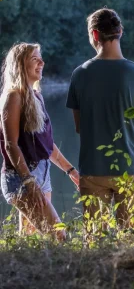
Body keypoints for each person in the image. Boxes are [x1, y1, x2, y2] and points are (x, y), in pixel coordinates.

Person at [66, 8, 134, 226]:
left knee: (95, 239)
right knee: (133, 239)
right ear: (120, 32)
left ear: (95, 35)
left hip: (93, 169)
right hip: (132, 170)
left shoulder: (80, 74)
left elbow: (80, 127)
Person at [0, 43, 79, 240]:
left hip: (42, 173)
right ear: (20, 65)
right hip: (22, 177)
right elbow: (11, 144)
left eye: (40, 58)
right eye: (35, 59)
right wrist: (28, 180)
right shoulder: (13, 97)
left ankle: (18, 270)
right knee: (59, 236)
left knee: (29, 238)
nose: (42, 62)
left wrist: (71, 171)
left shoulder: (36, 96)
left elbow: (46, 145)